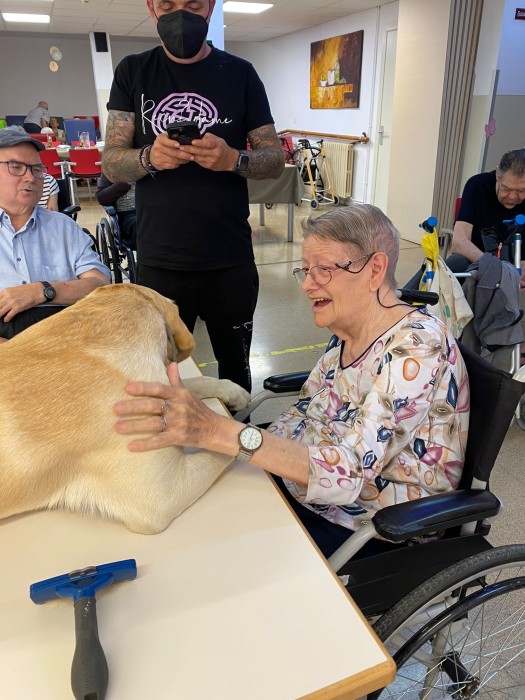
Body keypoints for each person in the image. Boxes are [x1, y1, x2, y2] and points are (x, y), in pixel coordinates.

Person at [113, 203, 470, 559]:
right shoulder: (350, 333)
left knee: (215, 549)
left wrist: (217, 432)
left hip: (370, 523)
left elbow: (349, 473)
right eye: (307, 271)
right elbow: (303, 413)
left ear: (374, 269)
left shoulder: (417, 346)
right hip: (304, 489)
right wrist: (233, 450)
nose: (308, 285)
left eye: (324, 270)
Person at [102, 0, 285, 393]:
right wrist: (149, 157)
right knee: (163, 373)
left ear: (211, 7)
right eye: (168, 4)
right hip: (161, 258)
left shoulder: (240, 73)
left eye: (193, 4)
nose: (180, 15)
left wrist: (233, 159)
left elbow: (275, 159)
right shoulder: (133, 70)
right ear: (152, 7)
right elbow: (112, 163)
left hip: (229, 258)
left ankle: (236, 431)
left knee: (236, 371)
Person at [0, 128, 110, 341]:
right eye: (16, 167)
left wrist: (43, 291)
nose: (30, 177)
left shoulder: (64, 227)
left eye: (37, 169)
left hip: (66, 339)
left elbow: (100, 286)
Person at [447, 148, 525, 286]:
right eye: (506, 189)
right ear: (497, 175)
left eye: (521, 190)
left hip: (515, 264)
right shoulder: (477, 185)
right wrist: (496, 269)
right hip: (477, 259)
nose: (513, 197)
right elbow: (459, 242)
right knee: (455, 264)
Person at [96, 173, 137, 249]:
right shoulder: (113, 168)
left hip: (155, 212)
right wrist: (125, 182)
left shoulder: (157, 168)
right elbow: (101, 197)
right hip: (129, 215)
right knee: (144, 223)